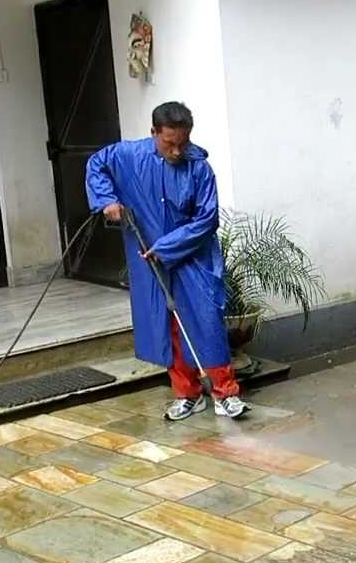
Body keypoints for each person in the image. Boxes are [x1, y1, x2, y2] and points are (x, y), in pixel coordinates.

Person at [85, 101, 248, 421]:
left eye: (183, 143)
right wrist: (107, 200)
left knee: (205, 322)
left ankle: (224, 393)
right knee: (168, 324)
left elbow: (207, 219)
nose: (176, 152)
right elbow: (96, 164)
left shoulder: (199, 168)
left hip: (193, 257)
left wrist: (167, 246)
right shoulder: (129, 156)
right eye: (169, 144)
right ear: (154, 133)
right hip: (148, 258)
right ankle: (187, 394)